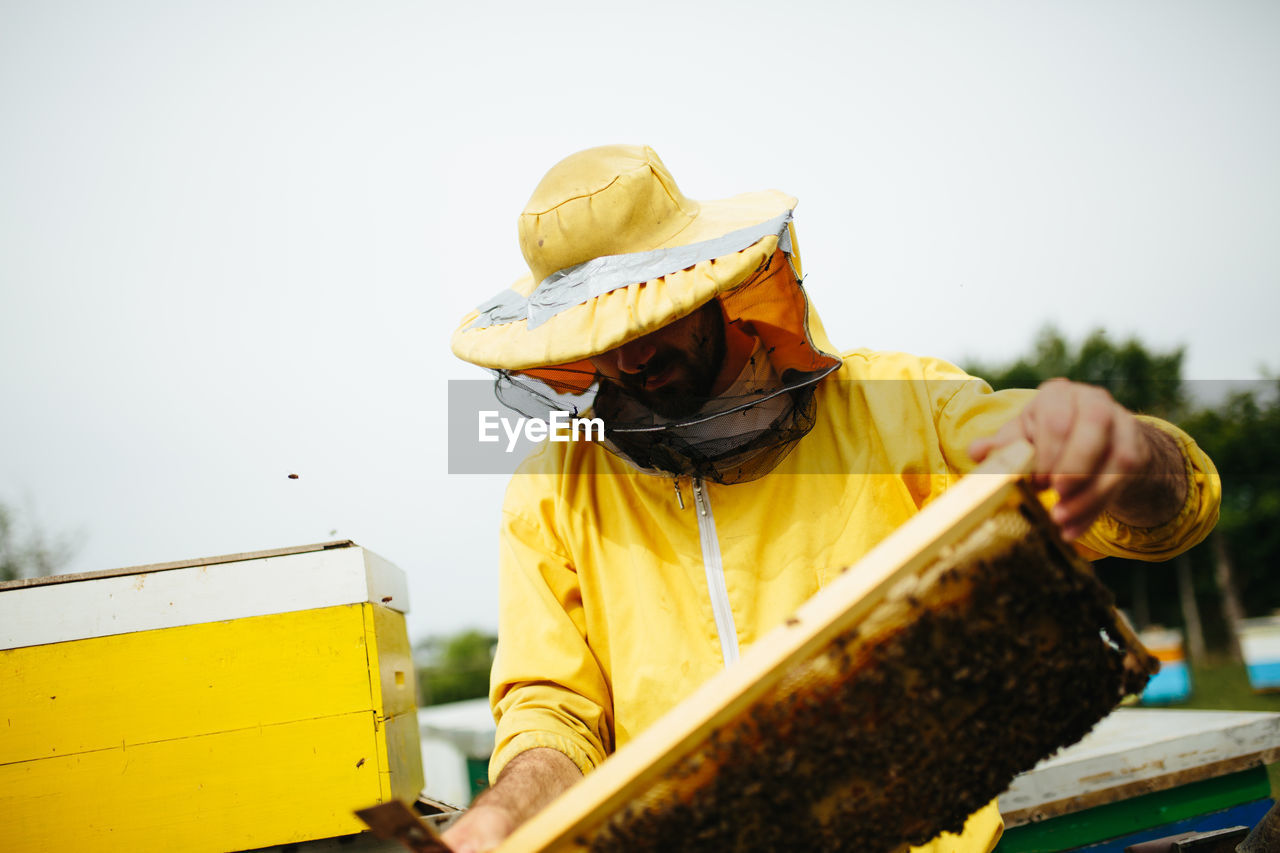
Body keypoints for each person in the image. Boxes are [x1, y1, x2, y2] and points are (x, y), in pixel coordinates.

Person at [445, 145, 1220, 852]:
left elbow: (1151, 510)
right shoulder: (553, 491)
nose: (631, 353)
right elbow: (555, 712)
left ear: (710, 280)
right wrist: (501, 814)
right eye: (596, 331)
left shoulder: (899, 408)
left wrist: (1124, 452)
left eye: (650, 311)